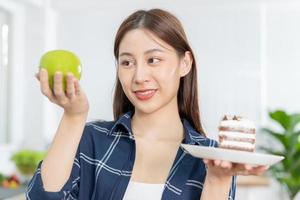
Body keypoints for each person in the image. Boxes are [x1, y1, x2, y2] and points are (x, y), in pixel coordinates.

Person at [26, 8, 268, 200]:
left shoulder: (213, 158)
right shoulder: (91, 140)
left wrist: (217, 180)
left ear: (185, 63)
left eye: (153, 60)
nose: (139, 76)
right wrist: (73, 117)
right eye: (127, 63)